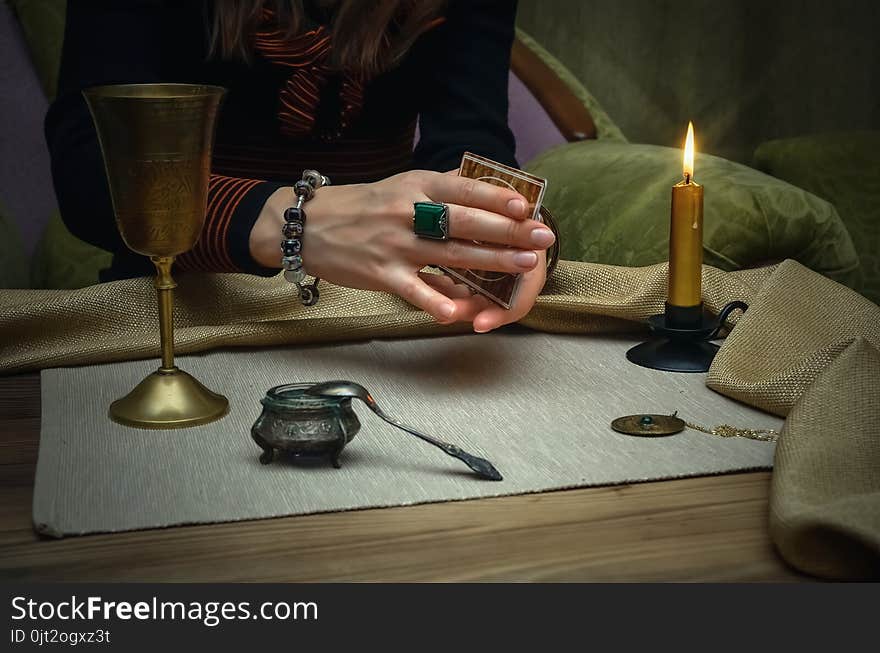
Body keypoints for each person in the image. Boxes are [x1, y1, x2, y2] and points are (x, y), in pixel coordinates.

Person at [46, 0, 555, 333]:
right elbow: (91, 173)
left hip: (383, 313)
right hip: (177, 305)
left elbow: (469, 149)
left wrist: (507, 235)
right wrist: (297, 225)